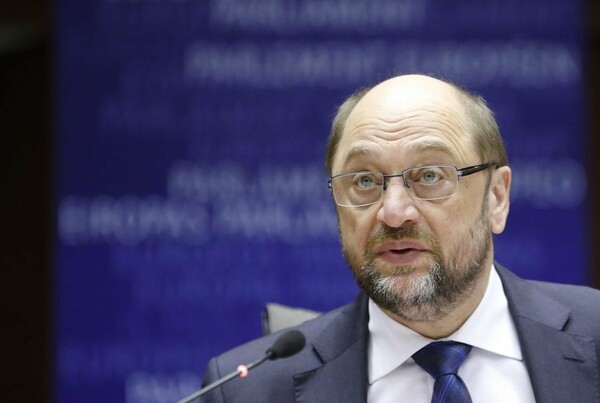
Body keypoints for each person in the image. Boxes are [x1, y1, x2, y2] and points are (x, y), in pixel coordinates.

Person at [199, 74, 600, 402]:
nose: (393, 213)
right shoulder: (245, 392)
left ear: (496, 198)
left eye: (430, 176)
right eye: (364, 181)